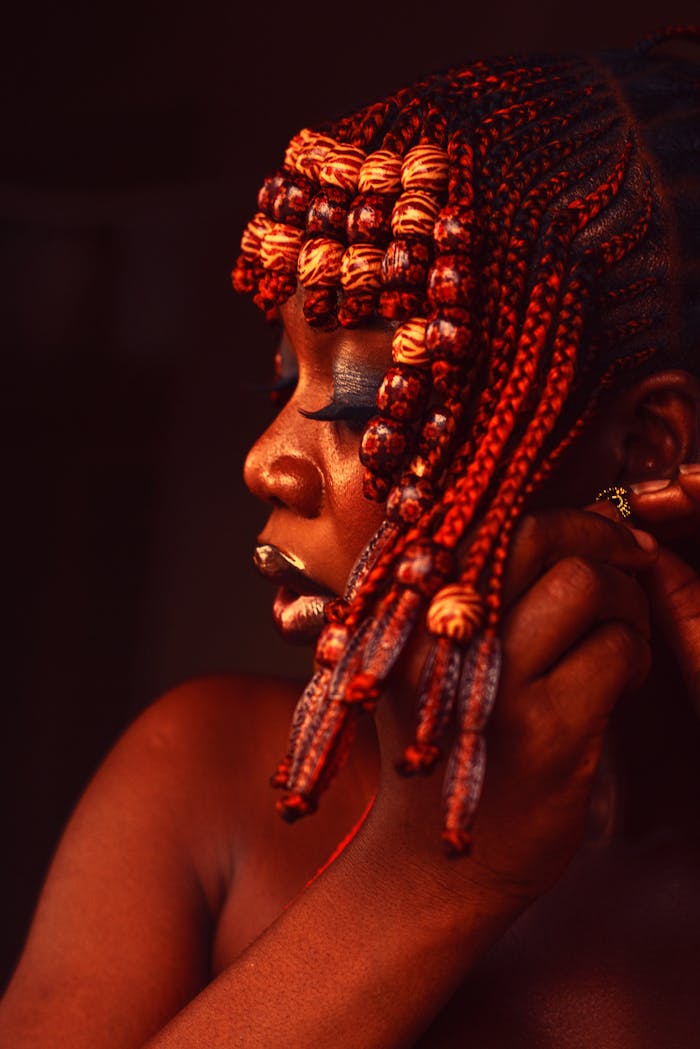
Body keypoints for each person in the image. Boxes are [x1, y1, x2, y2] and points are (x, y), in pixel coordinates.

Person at [1, 26, 699, 1049]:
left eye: (369, 396)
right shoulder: (201, 778)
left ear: (645, 448)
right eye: (284, 383)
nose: (264, 459)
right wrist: (419, 882)